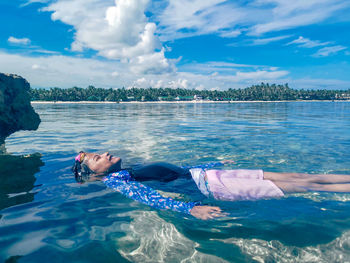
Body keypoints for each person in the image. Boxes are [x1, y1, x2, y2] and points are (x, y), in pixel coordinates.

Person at [72, 151, 350, 220]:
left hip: (212, 175)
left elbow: (179, 171)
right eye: (98, 158)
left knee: (301, 177)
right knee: (312, 186)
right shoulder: (120, 181)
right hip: (217, 188)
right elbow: (150, 199)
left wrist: (213, 162)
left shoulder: (129, 170)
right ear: (94, 173)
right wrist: (190, 209)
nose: (106, 154)